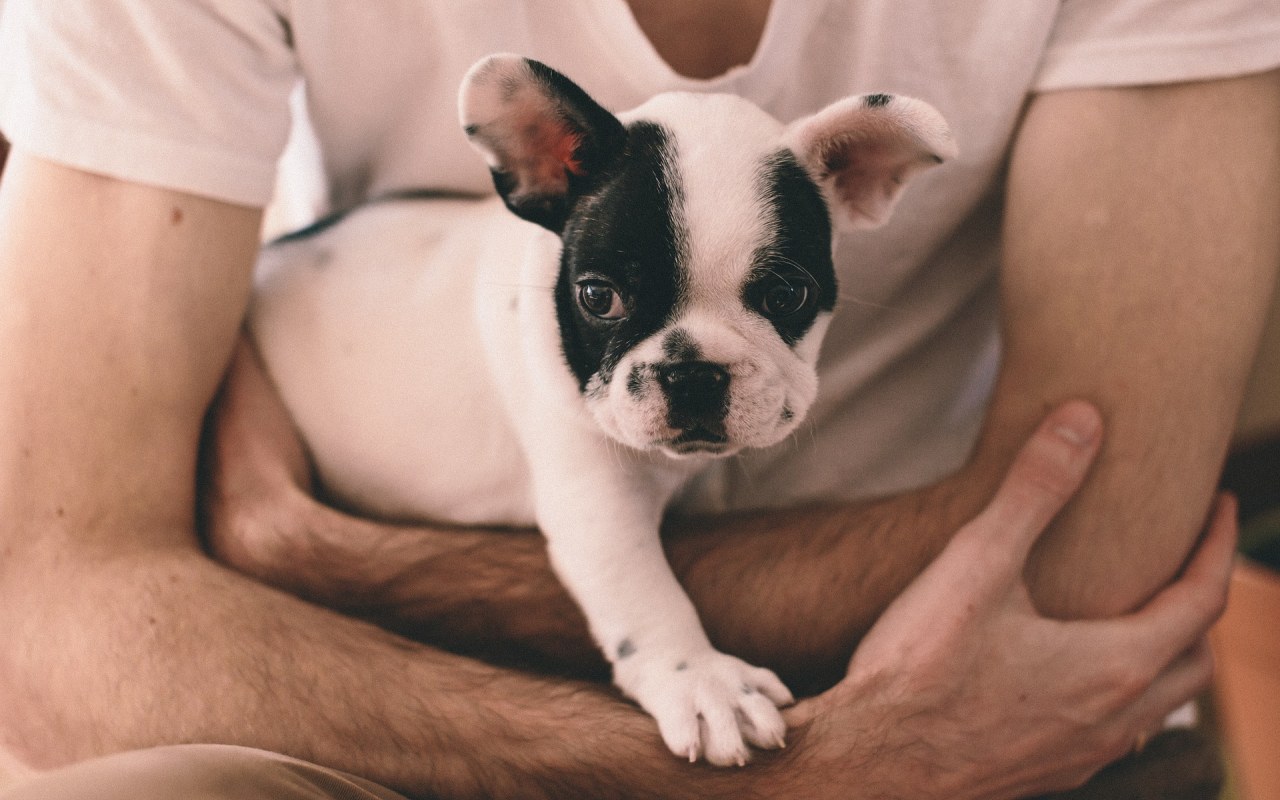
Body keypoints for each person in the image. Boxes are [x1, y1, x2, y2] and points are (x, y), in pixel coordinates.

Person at [0, 1, 1275, 798]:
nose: (692, 369)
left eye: (770, 296)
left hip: (998, 715)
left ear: (862, 176)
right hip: (407, 719)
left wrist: (321, 563)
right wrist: (806, 772)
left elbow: (1092, 548)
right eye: (617, 305)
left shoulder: (799, 168)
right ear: (536, 170)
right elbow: (52, 611)